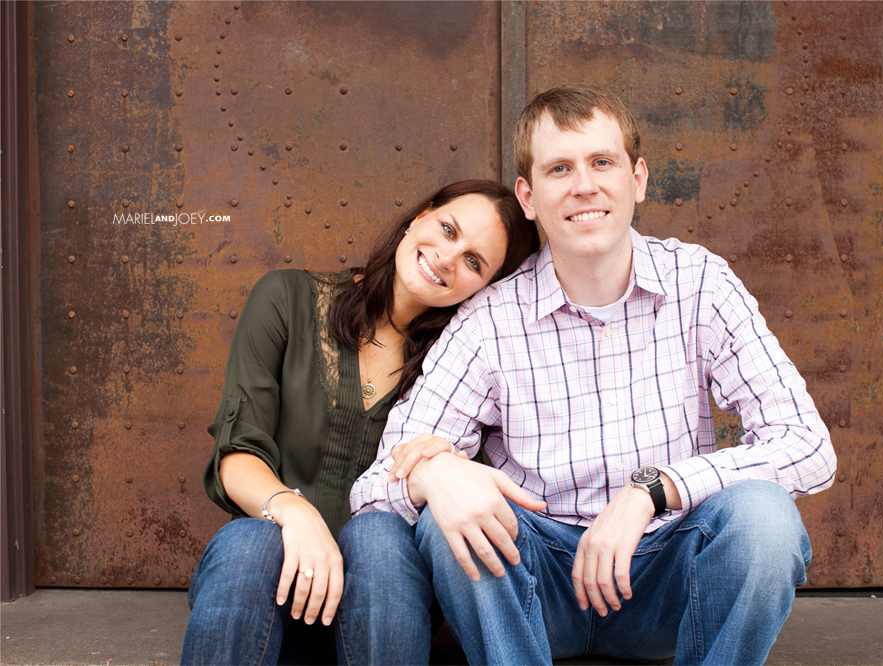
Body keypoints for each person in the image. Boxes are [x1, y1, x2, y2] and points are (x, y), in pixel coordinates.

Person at [345, 85, 838, 665]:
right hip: (535, 583)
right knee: (450, 519)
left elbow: (808, 446)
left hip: (667, 581)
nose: (584, 186)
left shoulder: (701, 283)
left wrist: (653, 490)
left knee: (765, 519)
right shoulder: (488, 320)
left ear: (638, 179)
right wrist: (436, 478)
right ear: (528, 197)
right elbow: (375, 488)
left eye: (602, 162)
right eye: (560, 168)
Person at [180, 179, 540, 666]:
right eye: (448, 229)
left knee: (379, 538)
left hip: (385, 605)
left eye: (475, 261)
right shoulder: (285, 298)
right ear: (420, 216)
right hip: (270, 588)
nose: (448, 258)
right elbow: (236, 452)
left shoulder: (466, 364)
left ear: (488, 288)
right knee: (249, 540)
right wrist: (295, 512)